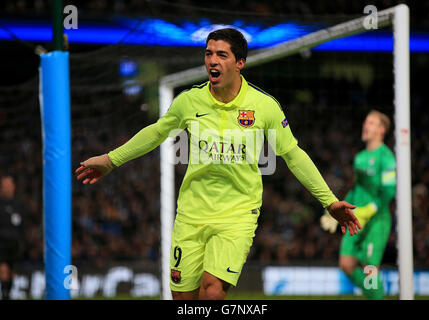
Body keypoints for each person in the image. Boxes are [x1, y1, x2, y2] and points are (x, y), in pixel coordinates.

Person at [76, 28, 361, 300]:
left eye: (221, 55)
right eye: (208, 53)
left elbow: (293, 154)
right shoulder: (189, 101)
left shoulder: (264, 106)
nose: (212, 60)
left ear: (240, 63)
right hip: (191, 214)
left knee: (212, 291)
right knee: (183, 298)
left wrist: (329, 201)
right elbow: (156, 132)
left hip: (237, 215)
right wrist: (110, 160)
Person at [321, 110, 396, 300]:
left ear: (381, 129)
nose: (365, 125)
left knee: (369, 268)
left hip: (376, 220)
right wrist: (336, 209)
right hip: (355, 217)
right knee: (346, 264)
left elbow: (389, 191)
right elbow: (355, 188)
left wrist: (370, 209)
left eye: (370, 122)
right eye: (365, 122)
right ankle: (373, 295)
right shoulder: (360, 157)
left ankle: (374, 296)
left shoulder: (387, 158)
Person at [0, 175, 27, 300]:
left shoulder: (19, 205)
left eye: (9, 185)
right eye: (4, 185)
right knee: (3, 269)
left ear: (13, 187)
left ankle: (7, 294)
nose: (7, 188)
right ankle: (5, 295)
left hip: (15, 244)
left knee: (12, 272)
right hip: (2, 243)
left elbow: (23, 226)